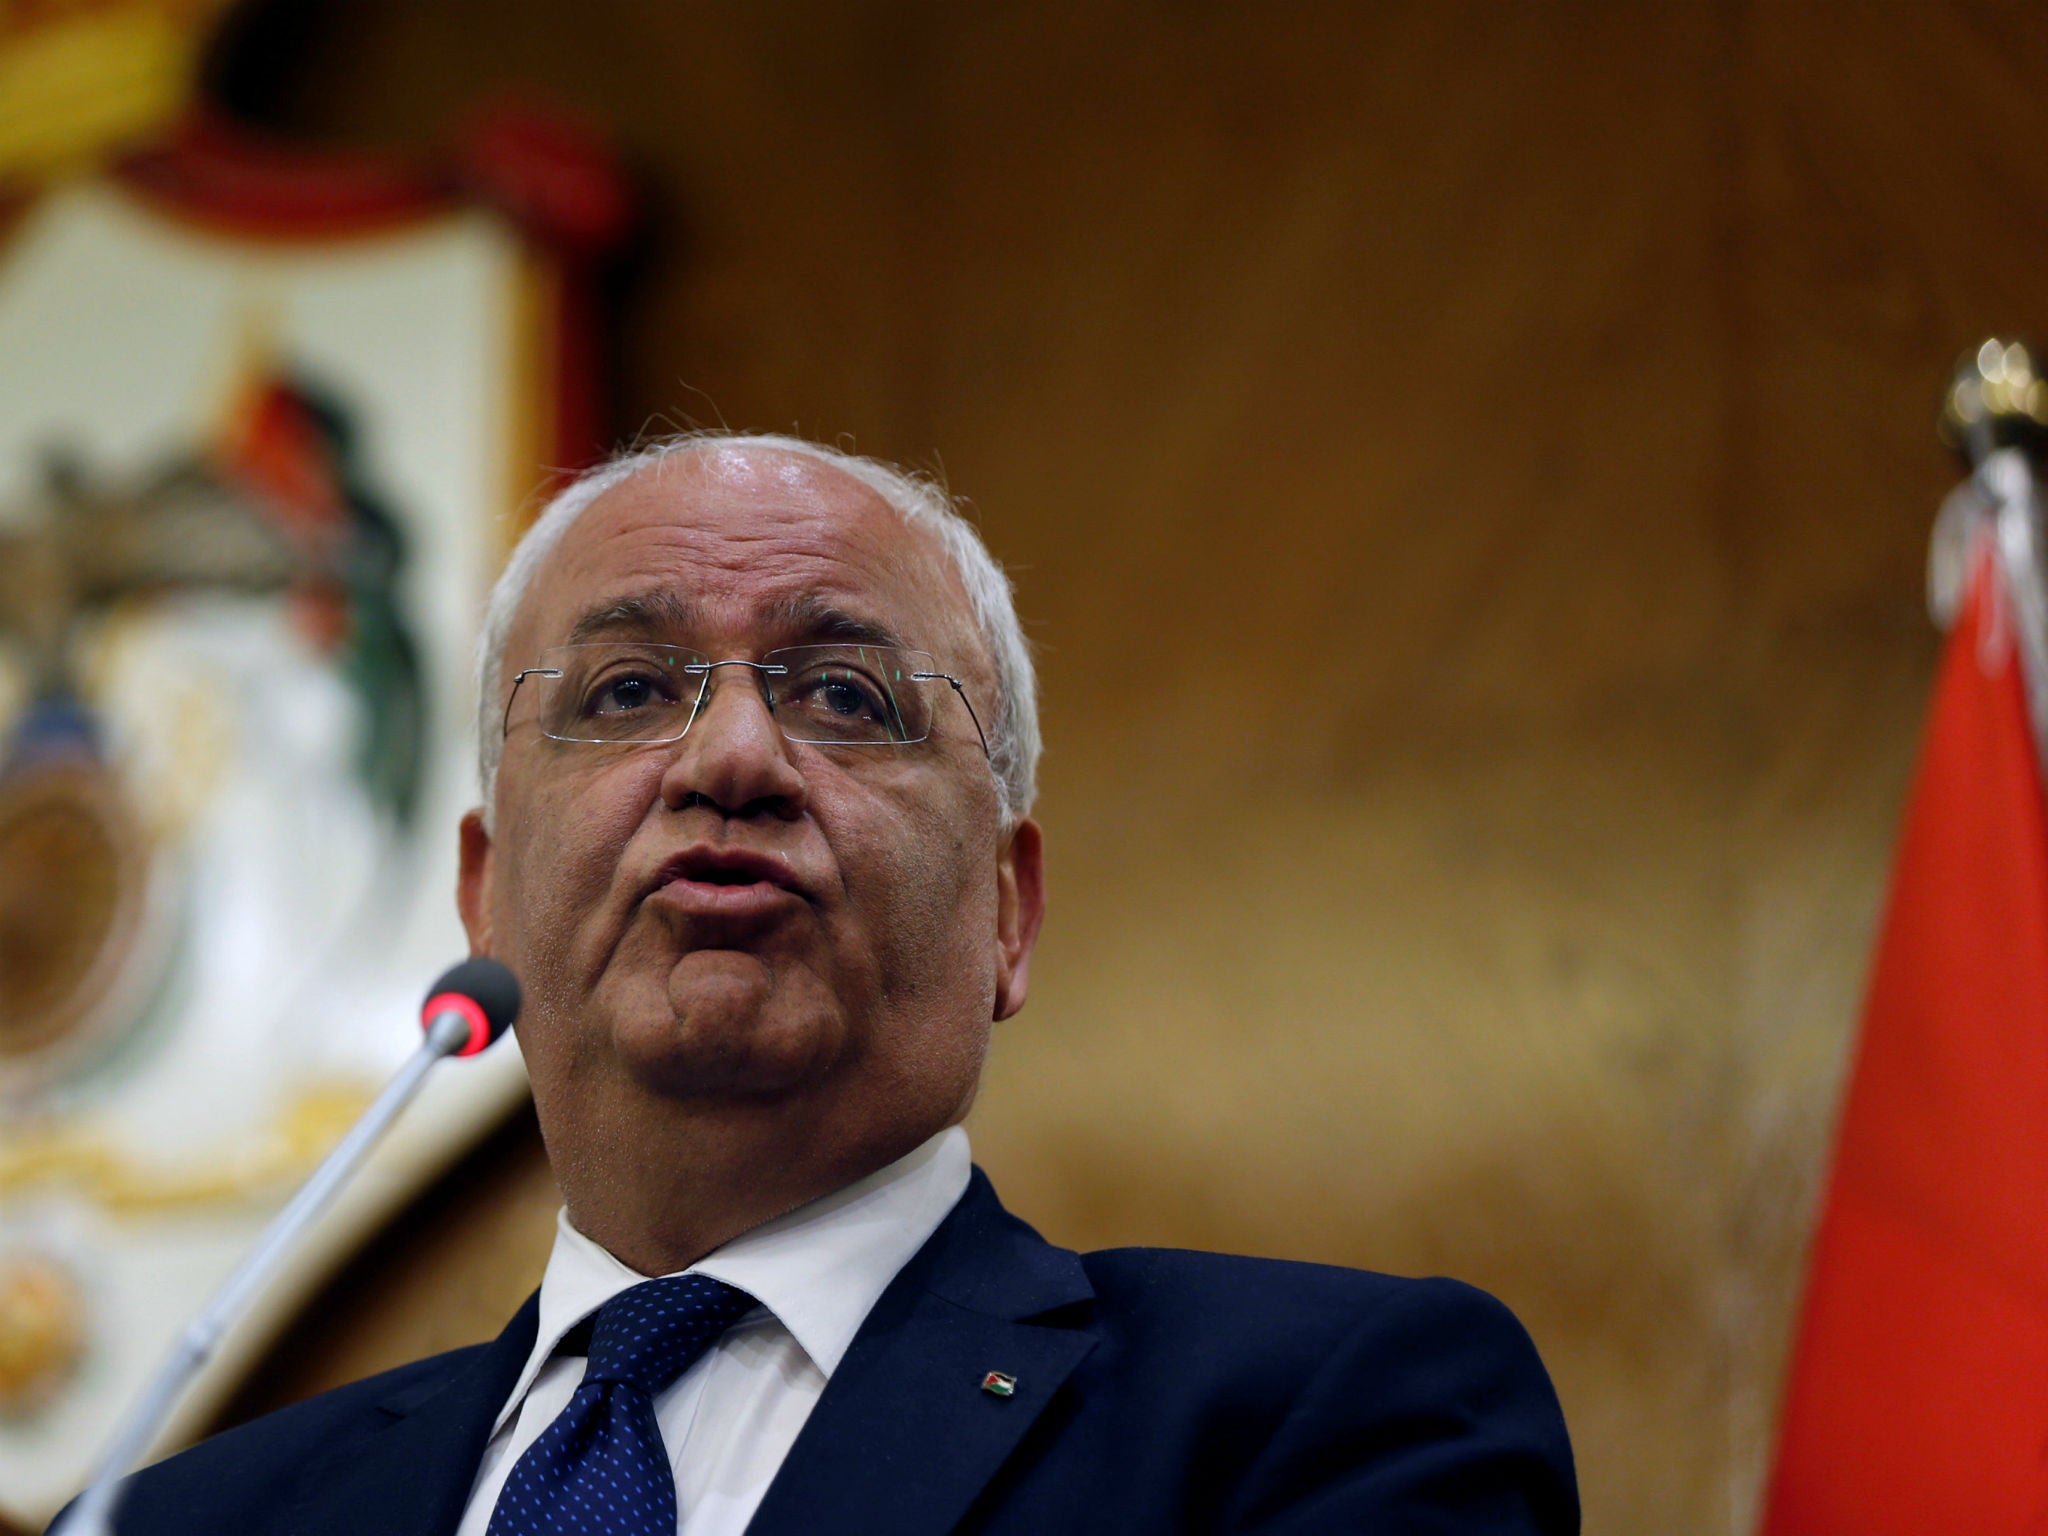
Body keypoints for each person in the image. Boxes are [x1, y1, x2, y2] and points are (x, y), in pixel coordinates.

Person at [101, 432, 1578, 1534]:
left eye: (844, 698)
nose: (731, 759)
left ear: (1006, 910)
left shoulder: (1323, 1421)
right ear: (486, 890)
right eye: (626, 692)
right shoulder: (201, 1520)